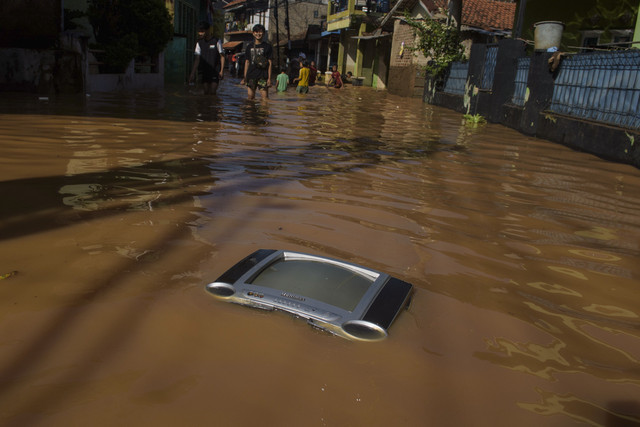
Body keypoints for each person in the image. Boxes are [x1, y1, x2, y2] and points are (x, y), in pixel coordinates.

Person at [189, 21, 225, 95]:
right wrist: (192, 73)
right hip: (203, 70)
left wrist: (221, 70)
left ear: (207, 30)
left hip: (215, 70)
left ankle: (212, 105)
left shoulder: (217, 41)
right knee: (206, 91)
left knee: (212, 91)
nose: (200, 34)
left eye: (202, 31)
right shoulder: (199, 43)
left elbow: (222, 56)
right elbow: (197, 59)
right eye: (199, 31)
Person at [241, 24, 273, 100]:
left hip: (263, 76)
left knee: (265, 98)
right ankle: (251, 112)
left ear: (264, 33)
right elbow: (247, 62)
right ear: (253, 33)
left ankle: (263, 112)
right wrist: (245, 77)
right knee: (250, 98)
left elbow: (270, 63)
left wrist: (269, 78)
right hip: (251, 75)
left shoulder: (267, 47)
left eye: (260, 32)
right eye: (256, 32)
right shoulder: (249, 46)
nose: (258, 34)